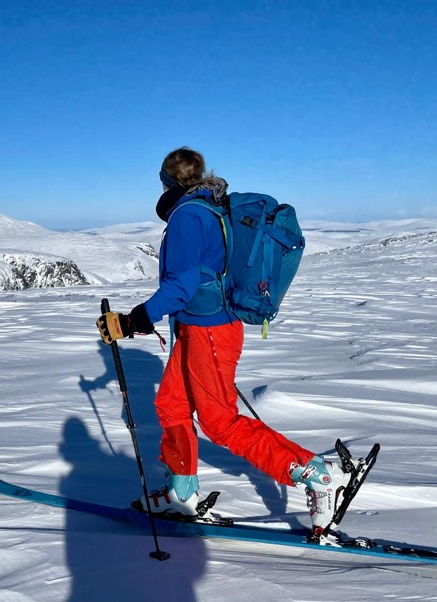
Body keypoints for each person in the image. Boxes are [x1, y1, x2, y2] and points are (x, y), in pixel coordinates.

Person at [95, 146, 357, 535]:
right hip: (197, 328)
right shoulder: (209, 208)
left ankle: (316, 474)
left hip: (211, 331)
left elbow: (181, 285)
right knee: (171, 406)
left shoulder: (187, 217)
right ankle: (182, 492)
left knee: (220, 423)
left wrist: (134, 320)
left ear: (166, 182)